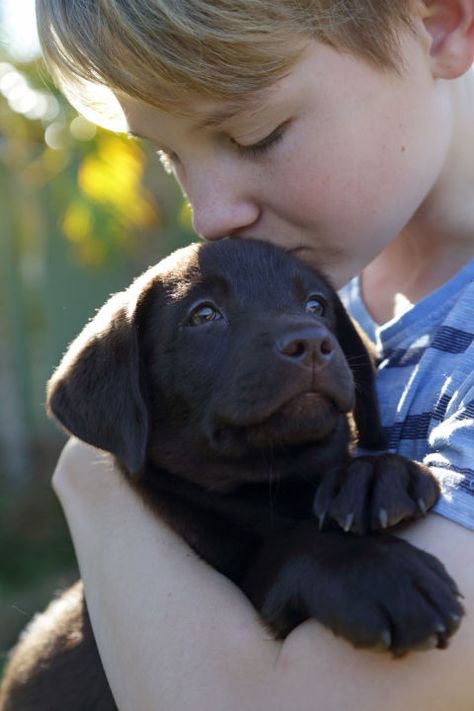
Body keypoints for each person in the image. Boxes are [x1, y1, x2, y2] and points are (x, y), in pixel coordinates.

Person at [36, 0, 474, 709]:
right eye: (172, 156)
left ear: (440, 25)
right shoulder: (346, 304)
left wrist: (95, 486)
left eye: (258, 133)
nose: (208, 215)